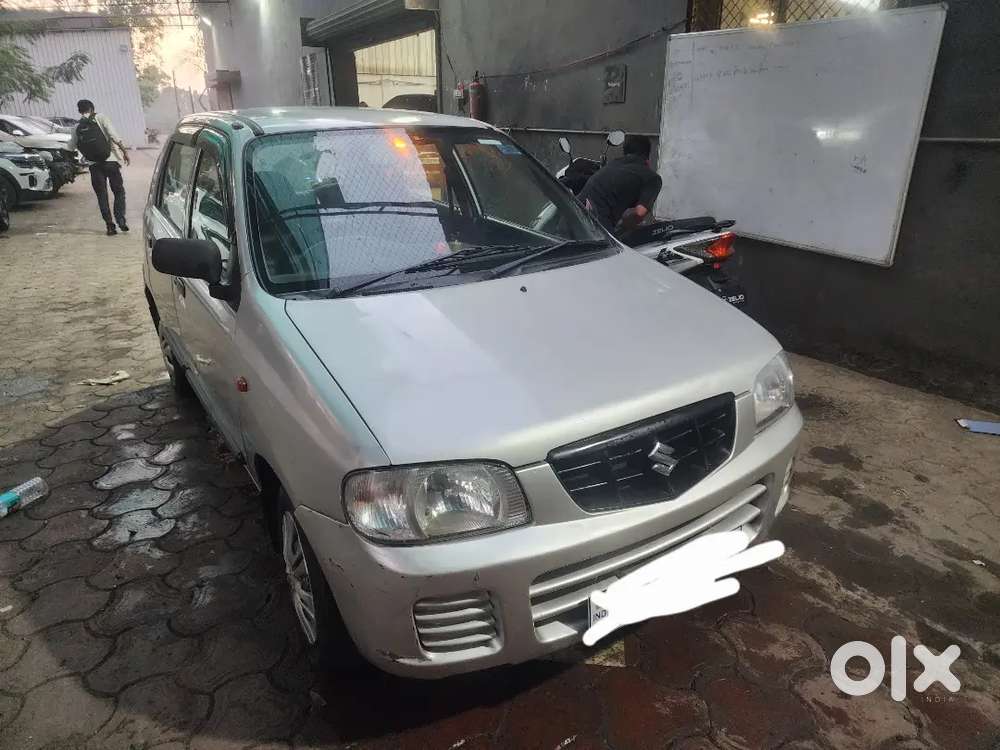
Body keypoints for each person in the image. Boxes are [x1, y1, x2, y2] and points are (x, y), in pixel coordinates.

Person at [68, 99, 131, 236]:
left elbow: (71, 147)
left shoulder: (76, 127)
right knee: (119, 191)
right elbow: (114, 136)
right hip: (111, 162)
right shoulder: (101, 117)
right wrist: (125, 152)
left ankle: (109, 225)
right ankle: (121, 220)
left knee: (102, 196)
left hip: (94, 165)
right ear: (92, 108)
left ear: (79, 111)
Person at [578, 134, 662, 235]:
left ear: (625, 151)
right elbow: (639, 213)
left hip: (572, 217)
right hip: (595, 229)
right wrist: (622, 228)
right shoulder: (652, 178)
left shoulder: (612, 164)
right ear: (648, 155)